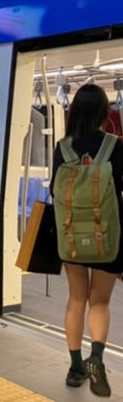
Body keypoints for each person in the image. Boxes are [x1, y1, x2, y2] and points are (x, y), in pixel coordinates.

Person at [51, 83, 123, 397]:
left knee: (76, 299)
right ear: (104, 113)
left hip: (71, 239)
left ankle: (75, 367)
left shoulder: (62, 148)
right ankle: (96, 356)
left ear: (74, 112)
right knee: (100, 301)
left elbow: (54, 191)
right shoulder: (115, 146)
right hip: (108, 238)